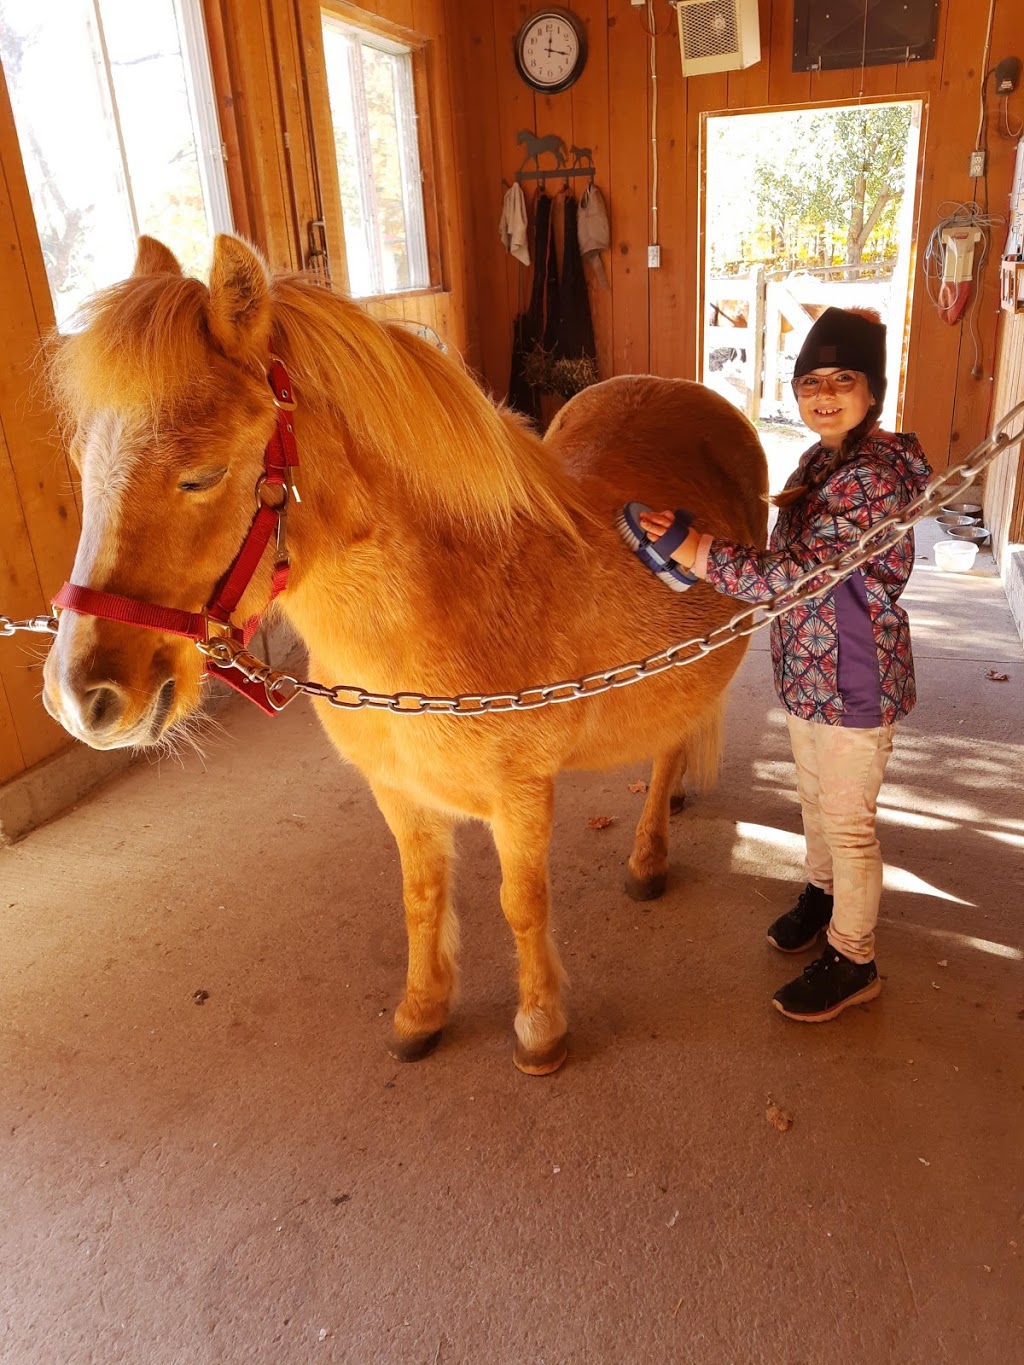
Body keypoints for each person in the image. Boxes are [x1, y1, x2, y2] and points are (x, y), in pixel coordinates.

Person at [640, 307, 931, 1022]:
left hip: (855, 681)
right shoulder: (817, 461)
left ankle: (855, 956)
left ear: (874, 390)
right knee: (814, 806)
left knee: (850, 823)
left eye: (842, 379)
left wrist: (696, 550)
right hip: (807, 674)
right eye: (809, 381)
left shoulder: (871, 479)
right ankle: (822, 895)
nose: (822, 393)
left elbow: (794, 576)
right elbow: (777, 565)